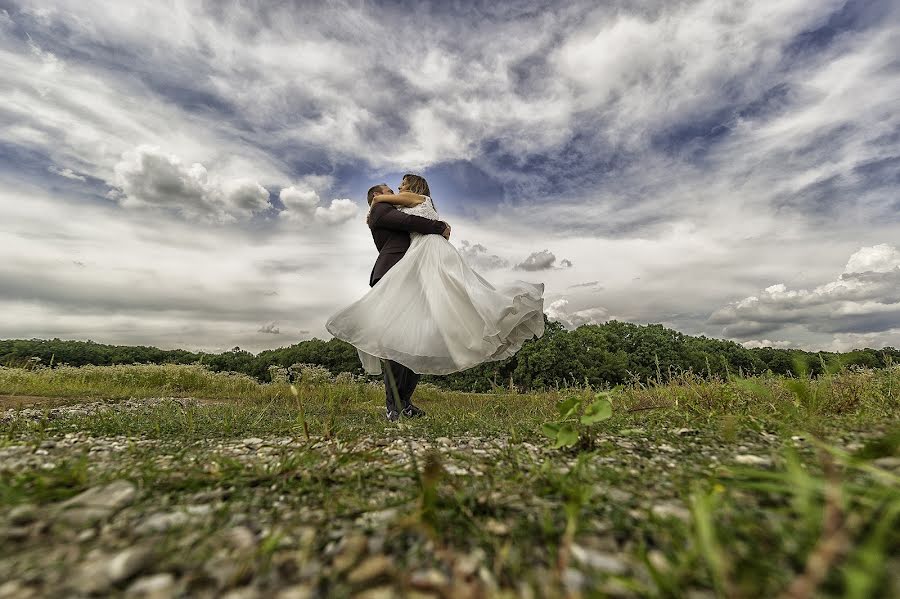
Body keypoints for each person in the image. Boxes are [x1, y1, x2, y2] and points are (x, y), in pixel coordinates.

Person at [326, 174, 545, 421]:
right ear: (377, 197)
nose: (393, 192)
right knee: (394, 344)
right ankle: (394, 405)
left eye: (395, 189)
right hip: (393, 275)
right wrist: (441, 227)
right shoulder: (380, 210)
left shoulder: (398, 204)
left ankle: (405, 402)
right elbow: (412, 221)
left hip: (417, 276)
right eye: (388, 190)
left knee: (418, 342)